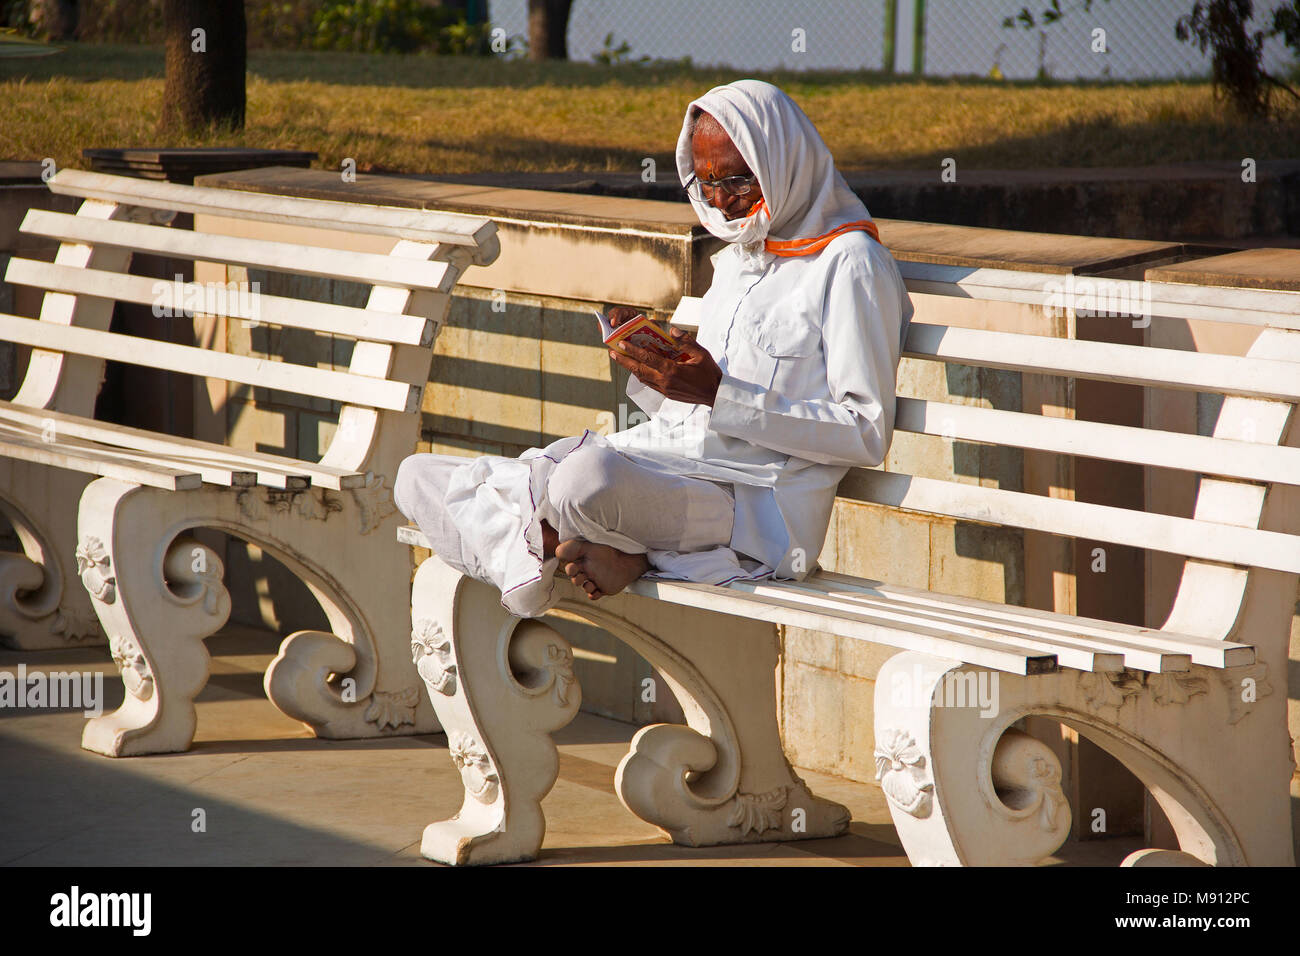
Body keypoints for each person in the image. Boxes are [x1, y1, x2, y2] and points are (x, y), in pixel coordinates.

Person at [393, 78, 914, 619]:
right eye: (706, 182)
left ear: (781, 158)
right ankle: (591, 550)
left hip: (751, 506)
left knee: (579, 482)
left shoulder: (851, 264)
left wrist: (721, 395)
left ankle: (562, 552)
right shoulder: (738, 256)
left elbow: (866, 432)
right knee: (415, 478)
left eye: (736, 178)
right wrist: (653, 364)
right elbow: (690, 412)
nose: (720, 199)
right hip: (661, 463)